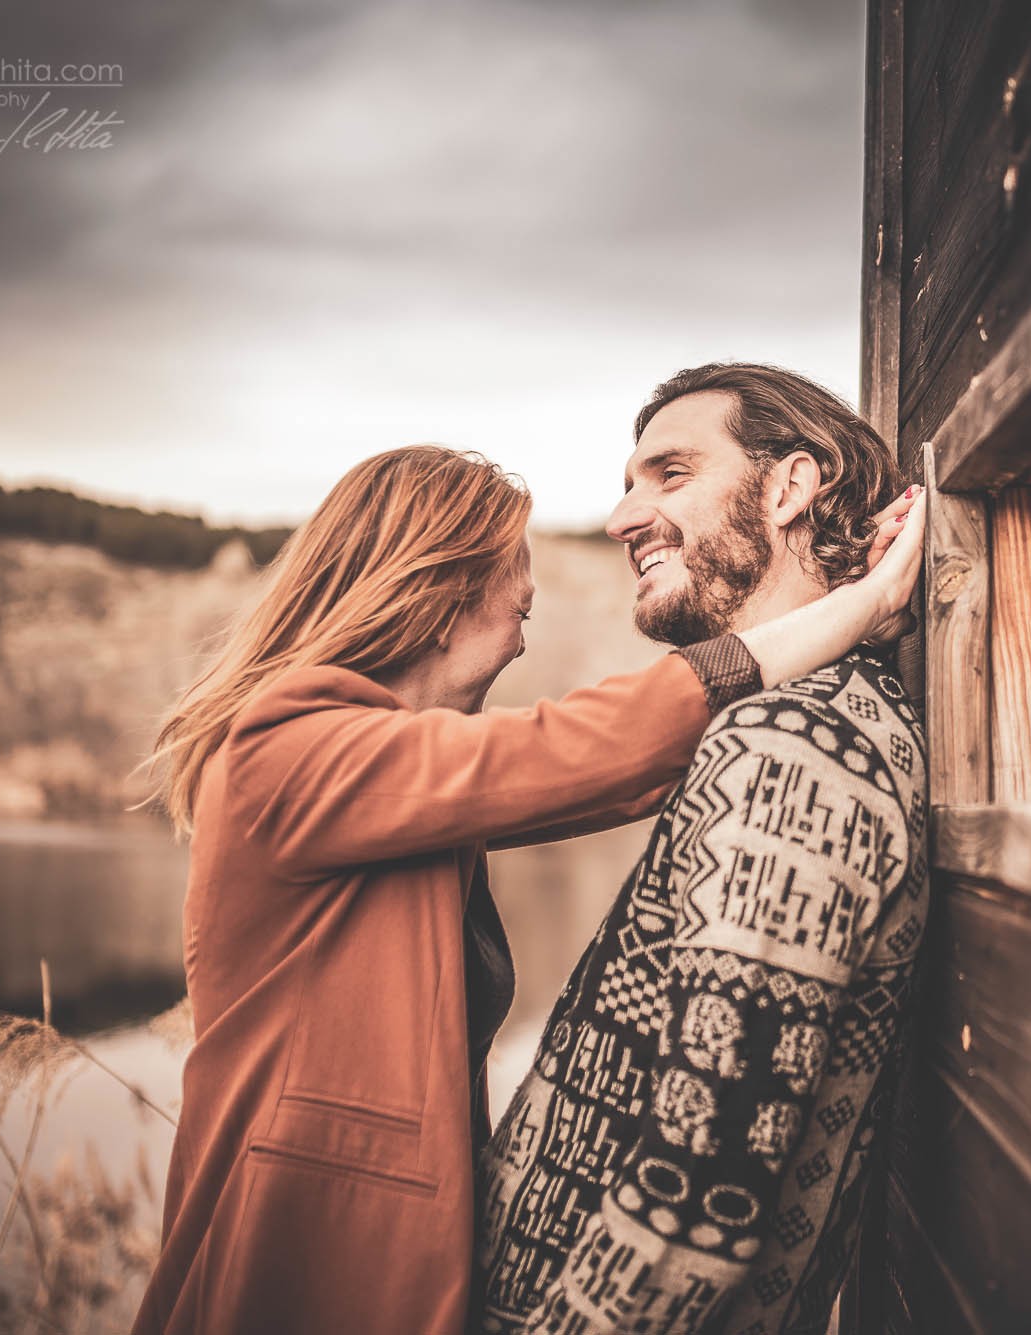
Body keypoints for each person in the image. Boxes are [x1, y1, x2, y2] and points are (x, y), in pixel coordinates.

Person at [131, 442, 924, 1335]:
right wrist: (863, 604)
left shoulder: (399, 785)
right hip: (289, 1275)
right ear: (438, 597)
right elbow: (588, 749)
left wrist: (838, 605)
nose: (523, 629)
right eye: (518, 601)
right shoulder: (281, 752)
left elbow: (597, 771)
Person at [475, 364, 928, 1335]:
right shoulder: (797, 720)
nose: (621, 516)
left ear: (789, 487)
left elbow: (700, 1188)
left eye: (668, 473)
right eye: (629, 482)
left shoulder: (792, 748)